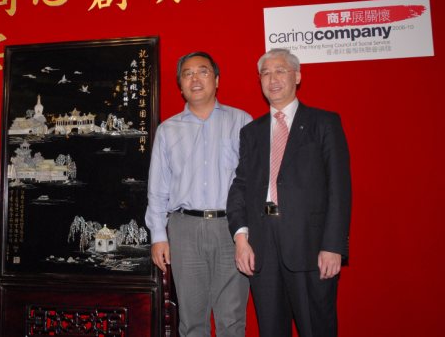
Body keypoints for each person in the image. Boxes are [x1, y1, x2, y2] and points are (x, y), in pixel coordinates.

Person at [227, 48, 351, 337]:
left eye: (280, 71)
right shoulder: (252, 132)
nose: (272, 79)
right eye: (265, 73)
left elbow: (339, 188)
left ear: (297, 76)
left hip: (311, 245)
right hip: (262, 247)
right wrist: (241, 238)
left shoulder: (324, 123)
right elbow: (241, 186)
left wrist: (333, 246)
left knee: (316, 328)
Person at [145, 51, 252, 337]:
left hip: (231, 228)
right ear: (180, 85)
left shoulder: (242, 121)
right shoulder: (167, 130)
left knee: (232, 320)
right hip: (185, 230)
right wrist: (158, 236)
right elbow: (158, 188)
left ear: (216, 80)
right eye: (187, 73)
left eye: (203, 71)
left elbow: (254, 182)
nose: (195, 79)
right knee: (191, 321)